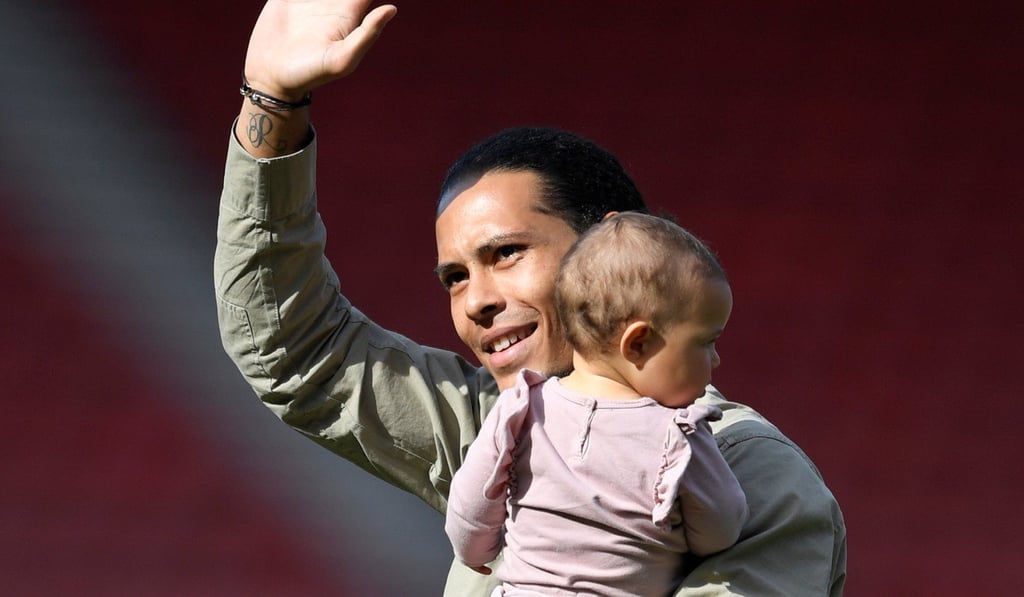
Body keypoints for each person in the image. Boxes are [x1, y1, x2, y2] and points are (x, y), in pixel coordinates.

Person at [214, 1, 847, 594]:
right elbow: (291, 345)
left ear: (605, 246)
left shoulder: (749, 472)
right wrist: (273, 101)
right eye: (455, 277)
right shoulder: (499, 426)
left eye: (506, 253)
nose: (475, 301)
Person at [445, 213, 750, 595]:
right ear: (637, 343)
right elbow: (719, 533)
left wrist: (474, 550)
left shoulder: (519, 408)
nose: (716, 359)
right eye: (705, 342)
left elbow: (470, 506)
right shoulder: (679, 436)